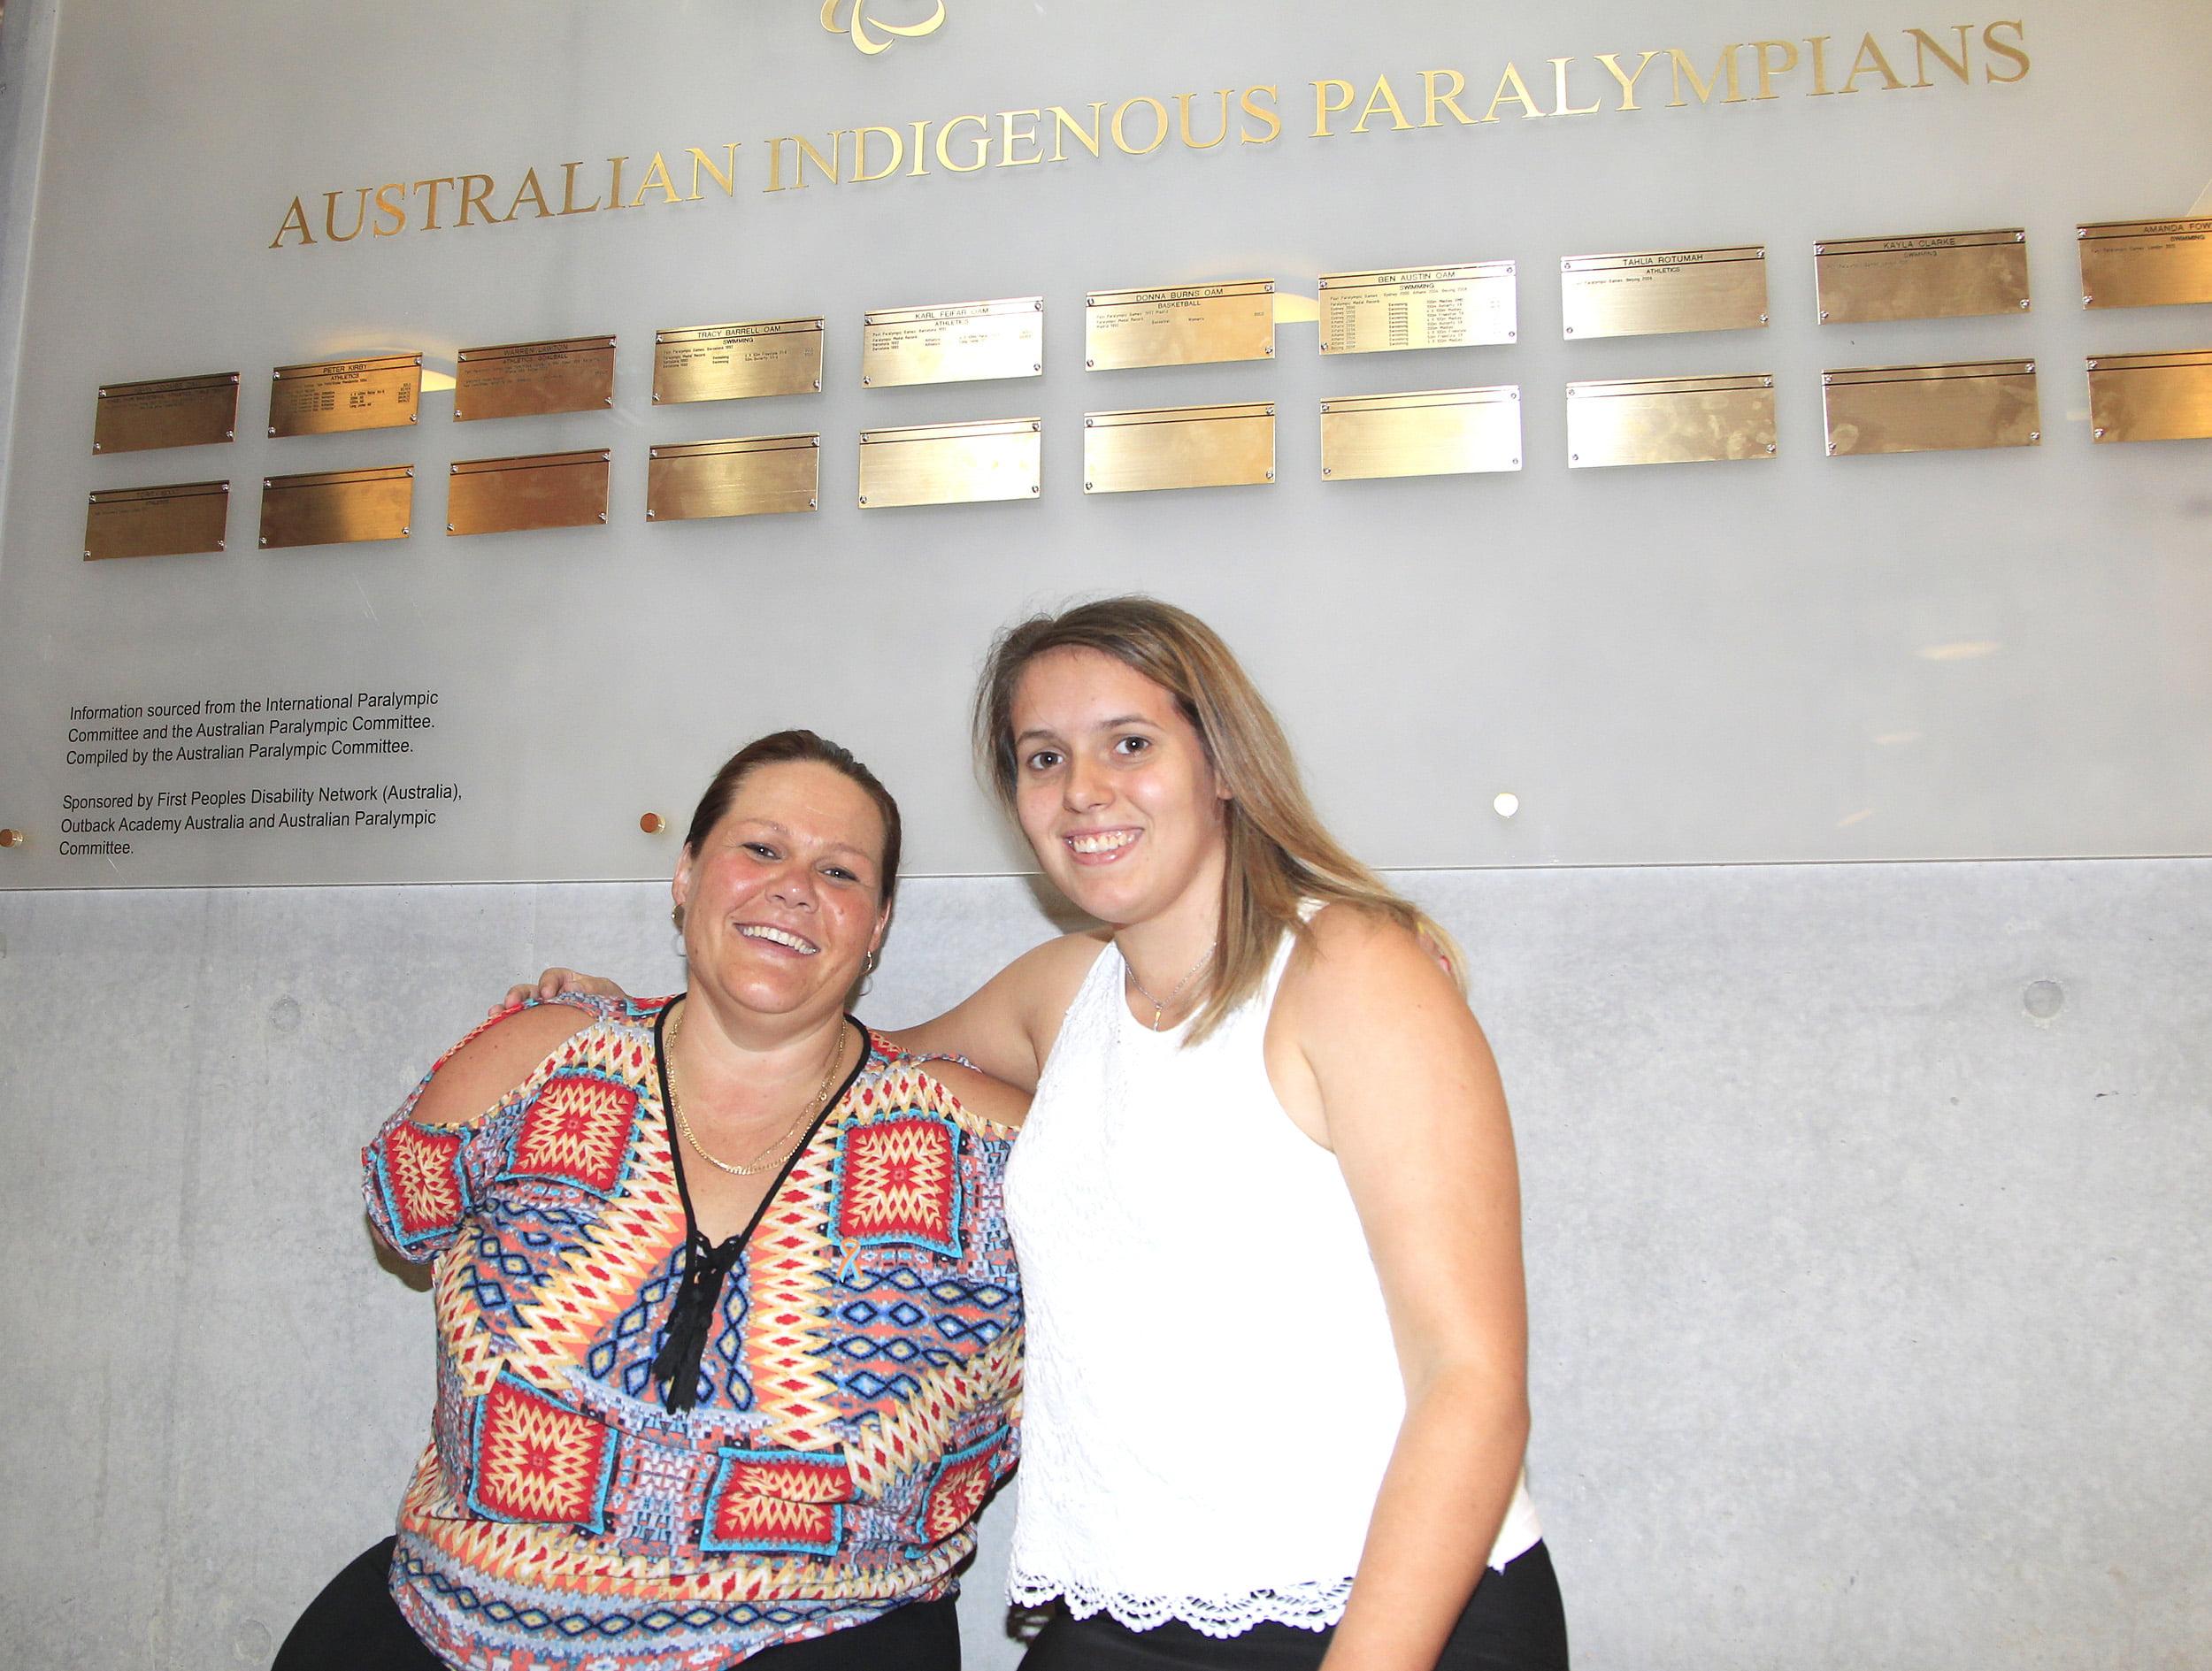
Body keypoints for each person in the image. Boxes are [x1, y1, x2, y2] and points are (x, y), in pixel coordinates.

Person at [515, 600, 1569, 1671]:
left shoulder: (1351, 971)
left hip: (1386, 1607)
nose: (1082, 789)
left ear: (1221, 764)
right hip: (1125, 1603)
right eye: (1044, 757)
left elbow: (1471, 1382)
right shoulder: (1069, 992)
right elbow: (832, 1066)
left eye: (1130, 743)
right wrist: (630, 1023)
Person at [278, 730, 1029, 1671]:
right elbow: (402, 1216)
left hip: (810, 1638)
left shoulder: (981, 1145)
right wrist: (587, 1026)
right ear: (685, 874)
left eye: (839, 871)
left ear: (876, 925)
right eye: (761, 847)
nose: (794, 887)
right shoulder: (544, 1062)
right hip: (446, 1619)